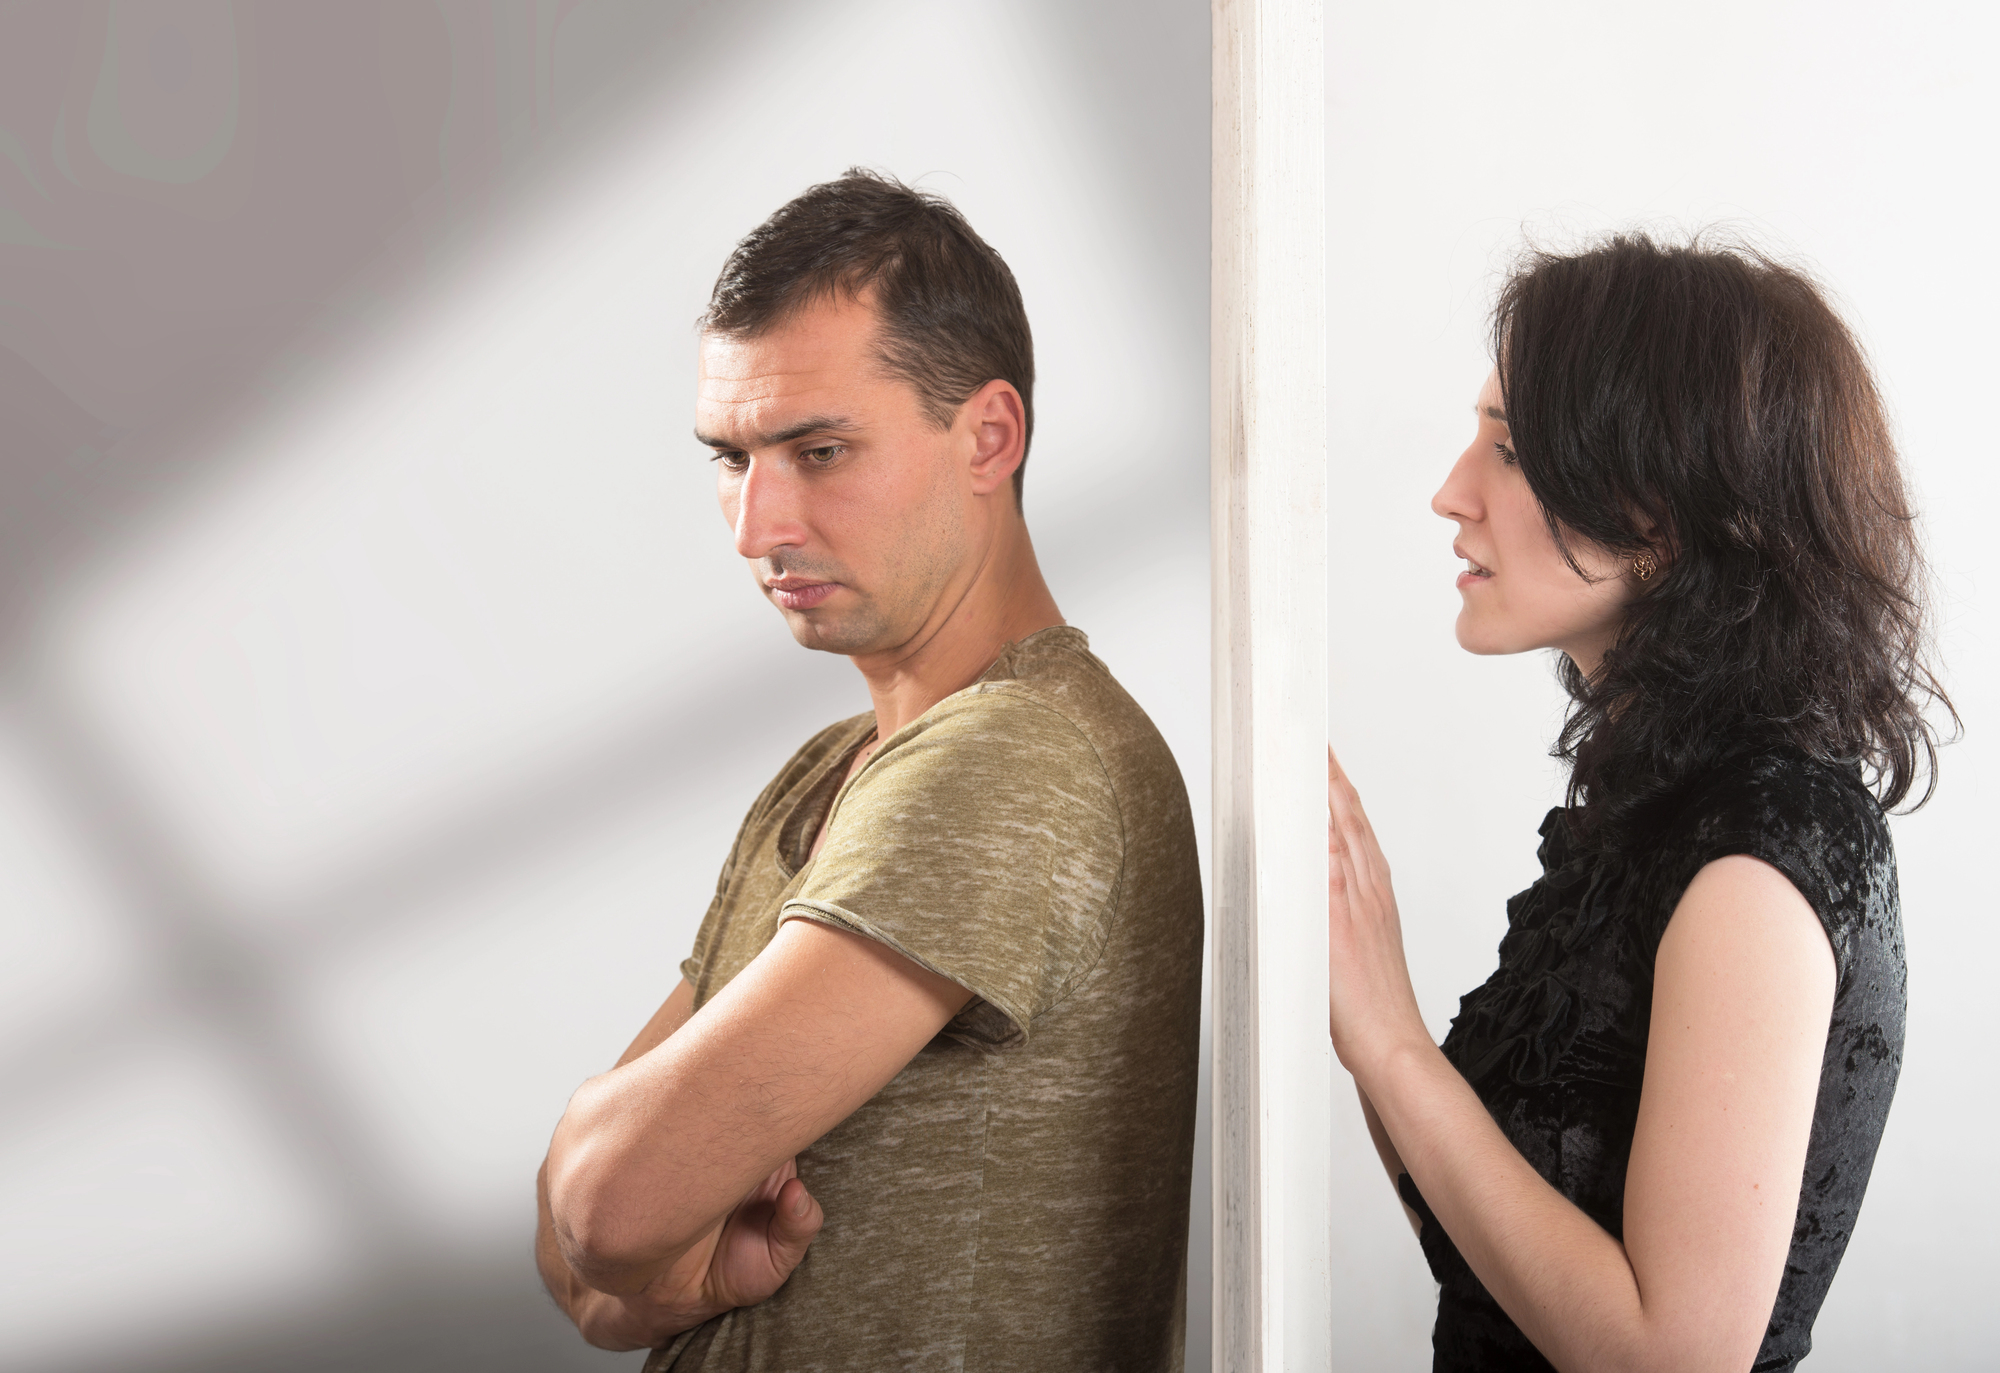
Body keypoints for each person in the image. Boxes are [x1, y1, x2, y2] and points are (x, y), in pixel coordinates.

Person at [533, 169, 1205, 1371]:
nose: (757, 523)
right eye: (730, 458)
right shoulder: (835, 766)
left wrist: (602, 1167)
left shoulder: (1015, 757)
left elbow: (602, 1200)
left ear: (988, 435)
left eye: (819, 448)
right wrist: (643, 1271)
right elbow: (580, 1270)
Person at [1325, 234, 1948, 1372]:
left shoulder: (1761, 851)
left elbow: (1669, 1355)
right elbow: (1487, 1259)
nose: (1449, 492)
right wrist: (1364, 1009)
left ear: (1660, 513)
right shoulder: (1642, 813)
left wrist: (1390, 1038)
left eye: (1507, 451)